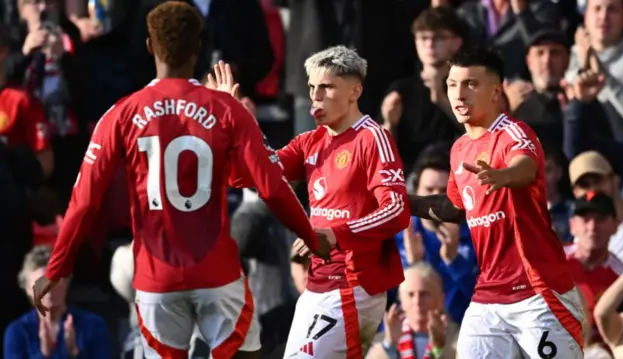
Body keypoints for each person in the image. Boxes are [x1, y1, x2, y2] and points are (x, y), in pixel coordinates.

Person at [30, 2, 331, 359]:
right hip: (217, 274)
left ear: (148, 46)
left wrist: (57, 267)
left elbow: (84, 202)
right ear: (199, 48)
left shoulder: (121, 114)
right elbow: (270, 186)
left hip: (157, 278)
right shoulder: (226, 109)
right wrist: (311, 237)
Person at [209, 45, 411, 358]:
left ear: (355, 91)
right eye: (312, 87)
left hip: (353, 286)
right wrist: (235, 121)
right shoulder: (310, 141)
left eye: (327, 87)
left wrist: (335, 232)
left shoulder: (373, 138)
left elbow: (396, 211)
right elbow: (252, 175)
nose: (316, 96)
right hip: (317, 285)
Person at [408, 48, 584, 358]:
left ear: (495, 91)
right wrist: (401, 201)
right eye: (452, 84)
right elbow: (454, 208)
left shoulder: (513, 133)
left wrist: (503, 176)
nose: (459, 94)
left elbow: (526, 168)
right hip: (489, 295)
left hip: (538, 290)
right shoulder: (460, 149)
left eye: (471, 84)